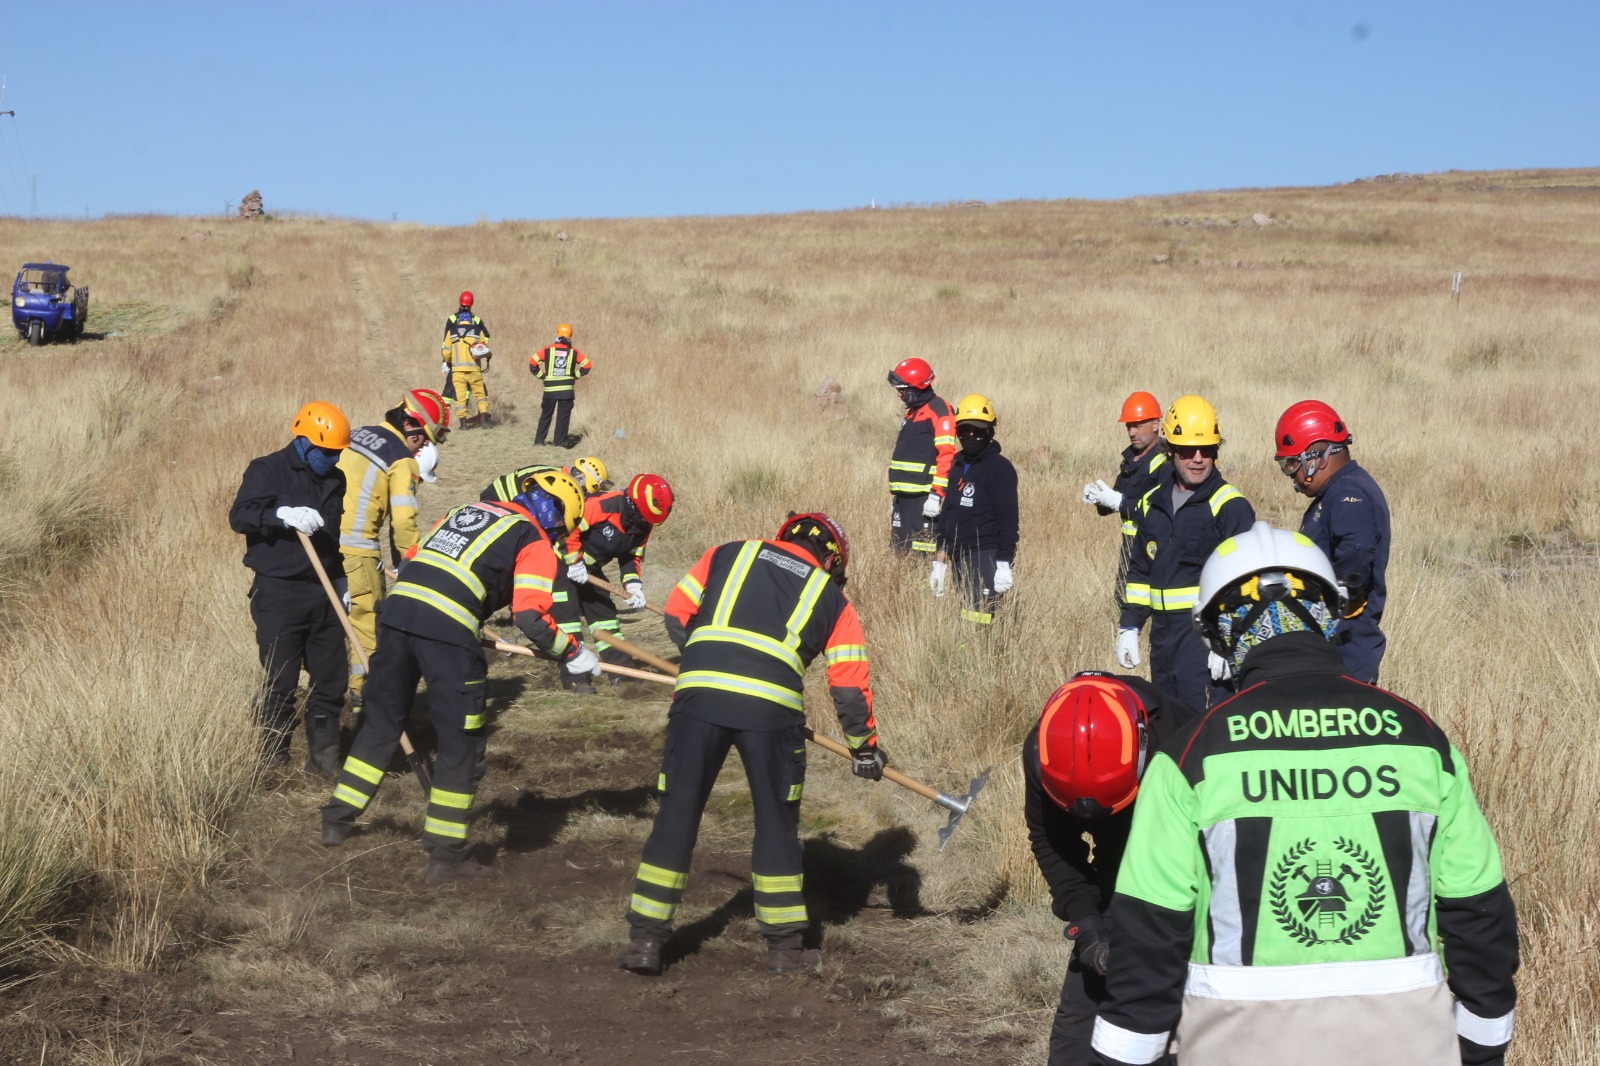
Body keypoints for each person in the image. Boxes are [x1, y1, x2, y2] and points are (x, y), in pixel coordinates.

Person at [1089, 522, 1518, 1066]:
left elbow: (1150, 934)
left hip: (1237, 1040)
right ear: (1330, 615)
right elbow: (1478, 911)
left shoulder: (1190, 756)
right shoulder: (1421, 739)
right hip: (1407, 1038)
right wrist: (1481, 1046)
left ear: (1219, 635)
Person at [618, 512, 883, 976]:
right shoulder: (833, 598)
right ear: (831, 560)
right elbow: (848, 686)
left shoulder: (728, 553)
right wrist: (864, 747)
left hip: (698, 696)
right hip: (771, 713)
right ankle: (785, 950)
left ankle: (645, 942)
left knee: (677, 814)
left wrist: (704, 660)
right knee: (776, 825)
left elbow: (677, 613)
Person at [320, 470, 597, 880]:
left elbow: (409, 562)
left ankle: (336, 821)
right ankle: (447, 855)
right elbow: (530, 617)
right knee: (460, 741)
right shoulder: (533, 538)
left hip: (396, 615)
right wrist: (573, 653)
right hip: (446, 633)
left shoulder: (466, 511)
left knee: (380, 724)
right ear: (558, 518)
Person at [1025, 673, 1195, 1066]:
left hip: (1177, 873)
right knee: (1078, 1030)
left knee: (1168, 1018)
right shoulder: (1046, 747)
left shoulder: (1185, 740)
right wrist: (1087, 925)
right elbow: (1052, 841)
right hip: (1112, 871)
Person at [228, 401, 350, 771]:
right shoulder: (268, 470)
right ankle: (273, 762)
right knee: (281, 683)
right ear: (305, 443)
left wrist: (340, 580)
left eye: (337, 453)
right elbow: (240, 516)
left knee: (331, 681)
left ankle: (324, 764)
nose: (333, 459)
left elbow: (331, 540)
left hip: (324, 593)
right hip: (279, 594)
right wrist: (281, 515)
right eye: (327, 452)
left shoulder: (335, 480)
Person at [1116, 395, 1254, 711]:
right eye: (1188, 450)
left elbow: (1246, 583)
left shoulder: (1229, 505)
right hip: (1162, 639)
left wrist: (1227, 640)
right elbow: (1140, 572)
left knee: (1203, 724)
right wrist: (1129, 626)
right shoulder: (1152, 503)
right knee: (1167, 723)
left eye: (1206, 450)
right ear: (1170, 450)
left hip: (1204, 640)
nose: (1198, 459)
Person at [337, 389, 449, 722]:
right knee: (368, 625)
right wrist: (414, 566)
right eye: (425, 440)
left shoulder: (358, 434)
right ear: (412, 426)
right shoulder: (401, 460)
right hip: (357, 551)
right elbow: (403, 522)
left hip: (321, 542)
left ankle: (322, 691)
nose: (423, 448)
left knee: (326, 621)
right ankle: (363, 698)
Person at [1274, 400, 1391, 682]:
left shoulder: (1348, 496)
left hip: (1344, 655)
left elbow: (1354, 564)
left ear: (1318, 457)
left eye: (1293, 464)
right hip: (1333, 652)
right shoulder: (1339, 490)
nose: (1292, 476)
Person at [555, 473, 673, 687]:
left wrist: (633, 585)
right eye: (643, 518)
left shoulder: (643, 524)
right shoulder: (602, 505)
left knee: (605, 616)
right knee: (568, 618)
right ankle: (576, 677)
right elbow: (568, 530)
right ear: (633, 506)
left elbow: (631, 556)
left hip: (590, 571)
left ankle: (622, 672)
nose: (644, 524)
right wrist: (574, 561)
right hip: (559, 562)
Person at [929, 394, 1018, 625]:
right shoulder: (957, 464)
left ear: (990, 431)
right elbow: (947, 514)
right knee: (965, 615)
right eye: (964, 431)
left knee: (979, 619)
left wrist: (1003, 562)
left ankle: (982, 648)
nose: (970, 436)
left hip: (985, 553)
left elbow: (1009, 522)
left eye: (977, 431)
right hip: (958, 554)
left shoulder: (1000, 469)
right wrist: (940, 561)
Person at [1083, 392, 1168, 601]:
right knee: (1123, 604)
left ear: (1155, 424)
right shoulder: (1131, 460)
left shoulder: (1166, 463)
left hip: (1156, 549)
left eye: (1137, 426)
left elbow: (1156, 511)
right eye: (1128, 426)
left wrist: (1118, 502)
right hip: (1130, 549)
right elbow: (1113, 502)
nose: (1131, 432)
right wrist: (1099, 498)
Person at [886, 357, 957, 554]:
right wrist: (898, 495)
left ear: (917, 387)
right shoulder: (913, 412)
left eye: (903, 389)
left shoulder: (940, 411)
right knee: (900, 553)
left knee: (921, 557)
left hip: (924, 499)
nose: (899, 394)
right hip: (904, 498)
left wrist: (936, 495)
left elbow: (947, 455)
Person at [529, 323, 593, 447]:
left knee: (546, 415)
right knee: (563, 418)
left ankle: (539, 441)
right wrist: (575, 376)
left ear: (557, 334)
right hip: (566, 391)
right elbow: (587, 365)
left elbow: (532, 363)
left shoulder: (547, 350)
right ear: (570, 336)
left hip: (550, 391)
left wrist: (542, 376)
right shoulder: (574, 352)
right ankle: (558, 444)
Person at [441, 290, 491, 428]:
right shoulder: (476, 321)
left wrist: (446, 361)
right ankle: (483, 419)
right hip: (473, 365)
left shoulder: (452, 320)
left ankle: (455, 422)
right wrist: (480, 349)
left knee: (455, 393)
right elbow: (486, 338)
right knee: (480, 393)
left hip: (456, 365)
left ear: (459, 302)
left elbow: (446, 344)